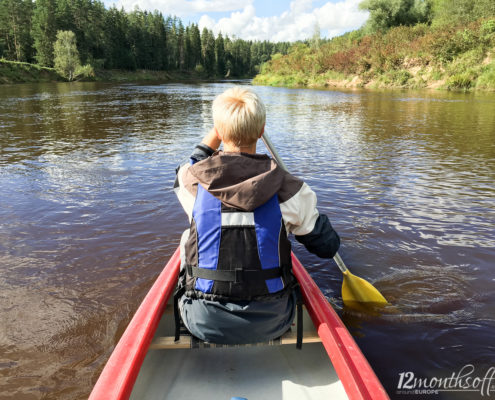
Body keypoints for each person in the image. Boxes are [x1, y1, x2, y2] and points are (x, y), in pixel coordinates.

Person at [173, 86, 340, 345]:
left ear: (217, 131)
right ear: (262, 132)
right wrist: (312, 216)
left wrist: (215, 135)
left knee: (188, 236)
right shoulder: (291, 189)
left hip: (202, 319)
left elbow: (191, 163)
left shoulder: (191, 182)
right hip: (274, 319)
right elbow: (327, 247)